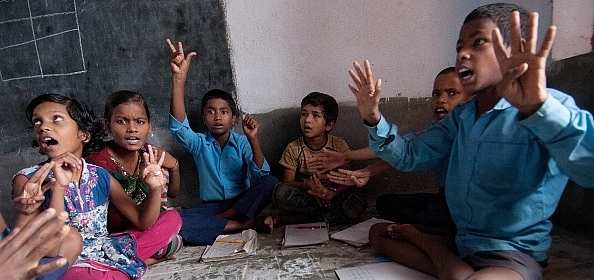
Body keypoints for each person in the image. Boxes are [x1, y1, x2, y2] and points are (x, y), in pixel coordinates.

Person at [347, 3, 594, 280]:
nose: (463, 54)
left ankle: (438, 257)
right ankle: (451, 266)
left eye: (477, 42)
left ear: (512, 49)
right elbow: (410, 155)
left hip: (510, 254)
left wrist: (537, 108)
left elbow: (588, 170)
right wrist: (372, 117)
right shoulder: (462, 117)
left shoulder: (550, 106)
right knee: (379, 233)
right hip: (461, 240)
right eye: (459, 47)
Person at [13, 93, 173, 280]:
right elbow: (50, 251)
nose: (43, 127)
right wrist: (59, 187)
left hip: (105, 249)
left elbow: (142, 221)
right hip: (66, 264)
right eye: (37, 121)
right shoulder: (29, 179)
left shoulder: (99, 175)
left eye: (56, 119)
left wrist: (155, 188)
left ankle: (120, 267)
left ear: (83, 134)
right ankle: (132, 265)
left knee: (171, 220)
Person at [311, 67, 471, 236]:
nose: (441, 100)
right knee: (385, 203)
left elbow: (404, 152)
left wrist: (373, 118)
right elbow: (402, 150)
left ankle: (428, 231)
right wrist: (356, 163)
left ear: (471, 99)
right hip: (444, 199)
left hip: (466, 208)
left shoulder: (470, 131)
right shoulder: (438, 133)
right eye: (436, 94)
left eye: (452, 93)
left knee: (438, 215)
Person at [167, 39, 278, 245]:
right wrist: (178, 78)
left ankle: (219, 222)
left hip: (242, 203)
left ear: (233, 118)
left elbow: (261, 176)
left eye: (224, 112)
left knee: (271, 182)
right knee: (177, 220)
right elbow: (179, 127)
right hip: (212, 206)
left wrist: (253, 139)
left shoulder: (242, 142)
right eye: (211, 111)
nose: (217, 117)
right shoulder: (199, 143)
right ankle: (245, 224)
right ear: (203, 118)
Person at [86, 90, 183, 264]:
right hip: (112, 236)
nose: (132, 129)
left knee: (175, 236)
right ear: (108, 126)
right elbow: (141, 222)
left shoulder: (146, 152)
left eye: (140, 122)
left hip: (141, 226)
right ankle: (139, 261)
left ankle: (132, 259)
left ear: (149, 126)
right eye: (121, 121)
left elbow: (173, 193)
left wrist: (174, 165)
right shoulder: (99, 163)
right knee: (170, 239)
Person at [271, 92, 368, 226]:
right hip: (307, 197)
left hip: (332, 197)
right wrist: (307, 185)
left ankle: (303, 218)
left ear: (328, 125)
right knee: (279, 191)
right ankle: (325, 217)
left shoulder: (338, 145)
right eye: (304, 114)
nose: (307, 120)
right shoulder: (293, 148)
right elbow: (287, 183)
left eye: (315, 115)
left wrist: (331, 194)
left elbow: (347, 180)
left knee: (358, 200)